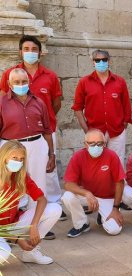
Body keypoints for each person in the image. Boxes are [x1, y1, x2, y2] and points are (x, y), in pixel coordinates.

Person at [0, 35, 63, 219]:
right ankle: (11, 219)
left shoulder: (45, 87)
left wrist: (51, 152)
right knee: (12, 181)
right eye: (26, 49)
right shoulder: (5, 90)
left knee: (40, 179)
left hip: (38, 139)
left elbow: (55, 105)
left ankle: (40, 216)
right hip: (11, 144)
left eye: (34, 49)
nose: (21, 85)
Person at [0, 68, 56, 239]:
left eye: (24, 81)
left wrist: (51, 153)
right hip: (11, 148)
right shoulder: (2, 103)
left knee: (38, 185)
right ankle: (9, 228)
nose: (21, 85)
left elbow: (47, 130)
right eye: (16, 82)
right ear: (9, 84)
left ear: (29, 81)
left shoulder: (39, 102)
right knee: (9, 185)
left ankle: (35, 225)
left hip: (37, 145)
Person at [0, 140, 61, 265]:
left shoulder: (20, 176)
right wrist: (17, 240)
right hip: (2, 230)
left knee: (55, 209)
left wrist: (33, 225)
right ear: (4, 157)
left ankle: (30, 253)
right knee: (4, 255)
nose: (18, 162)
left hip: (13, 223)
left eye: (21, 159)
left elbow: (41, 199)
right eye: (14, 158)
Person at [72, 49, 132, 168]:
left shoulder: (120, 82)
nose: (101, 62)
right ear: (93, 62)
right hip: (94, 131)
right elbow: (77, 108)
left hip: (117, 131)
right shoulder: (84, 82)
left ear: (108, 61)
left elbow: (126, 105)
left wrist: (124, 124)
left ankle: (117, 186)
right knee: (96, 163)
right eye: (98, 60)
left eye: (104, 60)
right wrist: (87, 130)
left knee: (117, 162)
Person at [61, 129, 125, 237]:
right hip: (88, 196)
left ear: (104, 144)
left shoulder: (111, 155)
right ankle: (82, 224)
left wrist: (115, 208)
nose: (96, 146)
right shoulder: (78, 156)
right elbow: (68, 184)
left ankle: (102, 215)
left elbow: (120, 182)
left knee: (114, 230)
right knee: (67, 196)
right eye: (92, 143)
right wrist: (87, 193)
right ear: (85, 144)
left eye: (99, 143)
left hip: (107, 198)